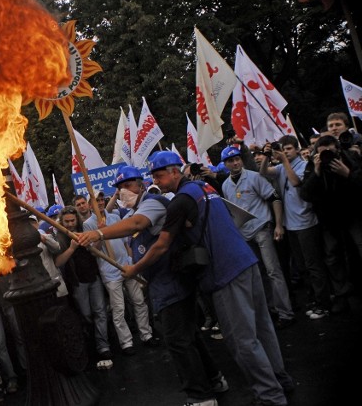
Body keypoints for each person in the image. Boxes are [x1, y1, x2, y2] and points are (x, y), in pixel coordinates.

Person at [122, 151, 294, 406]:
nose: (155, 180)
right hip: (246, 262)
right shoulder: (205, 187)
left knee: (243, 341)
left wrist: (135, 269)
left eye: (159, 174)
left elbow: (160, 245)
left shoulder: (180, 201)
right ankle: (281, 380)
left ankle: (270, 395)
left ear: (174, 171)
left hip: (224, 273)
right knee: (263, 329)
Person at [77, 164, 227, 406]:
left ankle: (200, 396)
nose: (124, 191)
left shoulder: (152, 203)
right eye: (120, 188)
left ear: (141, 185)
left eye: (128, 186)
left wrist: (99, 234)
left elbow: (137, 224)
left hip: (173, 282)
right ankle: (214, 379)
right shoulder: (135, 208)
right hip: (162, 282)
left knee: (178, 341)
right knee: (189, 336)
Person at [220, 145, 296, 329]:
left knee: (273, 271)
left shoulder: (254, 177)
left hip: (262, 228)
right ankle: (271, 309)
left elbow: (274, 198)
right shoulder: (225, 185)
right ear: (225, 164)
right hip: (244, 234)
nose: (236, 162)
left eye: (238, 158)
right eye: (231, 160)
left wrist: (278, 225)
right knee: (259, 274)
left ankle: (286, 313)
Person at [260, 135, 332, 319]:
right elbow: (263, 173)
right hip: (290, 225)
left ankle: (324, 303)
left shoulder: (303, 166)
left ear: (297, 149)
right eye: (283, 150)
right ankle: (314, 299)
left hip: (306, 222)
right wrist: (266, 155)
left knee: (313, 265)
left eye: (289, 149)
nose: (285, 152)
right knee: (302, 266)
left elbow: (296, 183)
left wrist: (284, 162)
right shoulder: (281, 167)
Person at [83, 185, 159, 355]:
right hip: (109, 271)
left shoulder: (115, 216)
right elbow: (92, 250)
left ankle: (146, 335)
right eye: (96, 200)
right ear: (89, 205)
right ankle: (126, 343)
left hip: (126, 264)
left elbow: (125, 241)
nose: (100, 203)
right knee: (119, 308)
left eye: (102, 199)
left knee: (139, 301)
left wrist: (130, 259)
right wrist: (100, 233)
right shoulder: (88, 224)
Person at [299, 134, 362, 313]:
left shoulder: (351, 159)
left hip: (353, 214)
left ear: (338, 150)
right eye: (322, 153)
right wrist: (317, 173)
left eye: (330, 153)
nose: (327, 157)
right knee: (332, 256)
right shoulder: (314, 165)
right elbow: (305, 194)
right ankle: (342, 294)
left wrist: (348, 173)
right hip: (329, 219)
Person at [53, 205, 113, 368]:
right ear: (62, 221)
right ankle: (91, 346)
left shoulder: (85, 229)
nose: (70, 224)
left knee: (100, 311)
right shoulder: (60, 236)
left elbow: (96, 251)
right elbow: (58, 262)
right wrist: (72, 248)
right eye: (67, 221)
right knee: (86, 315)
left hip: (93, 277)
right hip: (78, 281)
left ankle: (104, 346)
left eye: (72, 220)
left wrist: (98, 238)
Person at [28, 214, 69, 299]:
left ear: (37, 224)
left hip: (55, 283)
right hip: (40, 288)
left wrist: (44, 240)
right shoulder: (25, 245)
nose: (31, 226)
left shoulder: (46, 237)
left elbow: (57, 248)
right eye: (28, 224)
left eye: (33, 223)